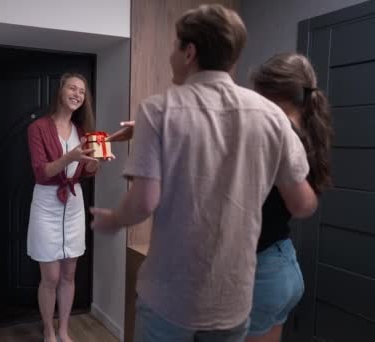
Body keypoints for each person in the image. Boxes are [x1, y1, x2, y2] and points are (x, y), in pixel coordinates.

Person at [90, 4, 318, 342]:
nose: (170, 55)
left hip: (170, 299)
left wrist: (112, 220)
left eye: (174, 46)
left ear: (190, 52)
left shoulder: (157, 109)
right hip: (233, 302)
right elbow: (302, 204)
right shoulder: (271, 116)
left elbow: (144, 202)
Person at [246, 53, 333, 342]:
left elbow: (301, 204)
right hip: (282, 264)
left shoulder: (277, 135)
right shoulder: (305, 133)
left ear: (271, 92)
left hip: (263, 272)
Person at [26, 72, 99, 342]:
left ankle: (64, 329)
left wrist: (96, 162)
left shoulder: (84, 132)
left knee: (69, 273)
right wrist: (70, 155)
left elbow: (87, 171)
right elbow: (41, 172)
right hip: (47, 201)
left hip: (74, 201)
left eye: (82, 91)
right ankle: (48, 329)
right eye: (73, 88)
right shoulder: (38, 128)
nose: (78, 94)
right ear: (60, 91)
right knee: (51, 276)